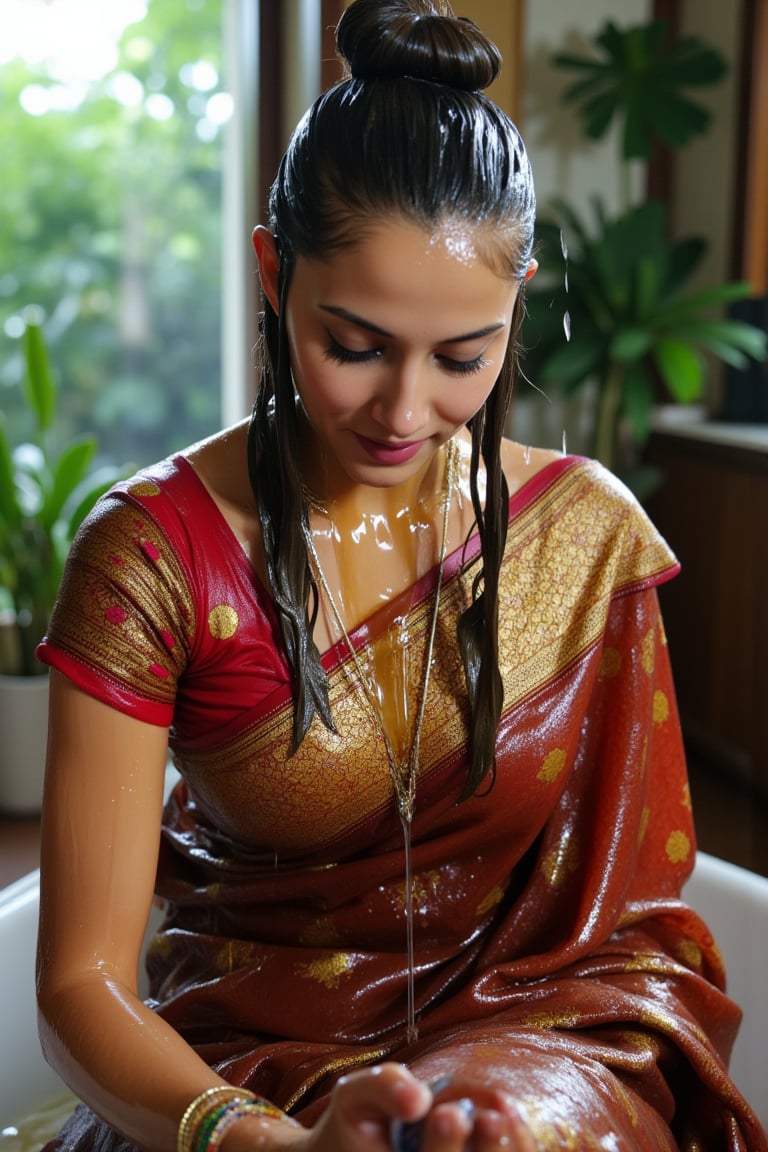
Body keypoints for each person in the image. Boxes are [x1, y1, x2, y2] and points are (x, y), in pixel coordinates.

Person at [34, 1, 766, 1150]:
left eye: (463, 358)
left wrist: (512, 1104)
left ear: (517, 295)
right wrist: (265, 1141)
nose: (406, 411)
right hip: (235, 1067)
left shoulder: (581, 536)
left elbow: (632, 939)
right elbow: (82, 987)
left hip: (538, 1042)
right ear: (275, 273)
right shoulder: (154, 556)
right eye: (356, 346)